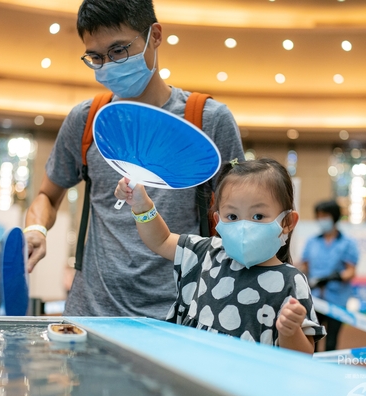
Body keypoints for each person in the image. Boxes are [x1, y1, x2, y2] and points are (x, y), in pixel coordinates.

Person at [25, 0, 245, 318]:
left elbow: (240, 218)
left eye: (118, 50)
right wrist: (36, 229)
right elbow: (48, 194)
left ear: (155, 35)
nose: (108, 65)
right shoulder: (88, 120)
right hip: (91, 314)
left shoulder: (207, 121)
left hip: (178, 314)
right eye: (96, 57)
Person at [114, 158, 325, 354]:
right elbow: (161, 240)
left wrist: (290, 331)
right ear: (218, 221)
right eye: (232, 216)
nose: (243, 226)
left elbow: (303, 355)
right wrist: (142, 205)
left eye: (258, 216)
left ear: (287, 223)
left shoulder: (291, 282)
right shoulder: (205, 253)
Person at [300, 199, 359, 352]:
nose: (321, 219)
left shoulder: (347, 243)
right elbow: (303, 266)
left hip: (337, 299)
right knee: (311, 341)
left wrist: (334, 277)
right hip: (314, 299)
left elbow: (351, 271)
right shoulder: (312, 242)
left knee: (331, 344)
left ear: (334, 217)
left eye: (325, 216)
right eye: (319, 216)